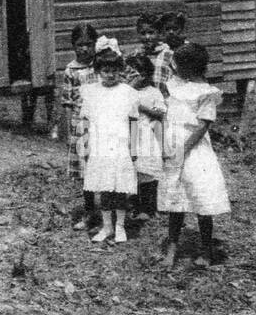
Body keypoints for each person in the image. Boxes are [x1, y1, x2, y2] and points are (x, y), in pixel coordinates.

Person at [159, 42, 231, 268]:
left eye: (178, 65)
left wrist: (183, 150)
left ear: (190, 67)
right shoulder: (176, 86)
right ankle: (172, 247)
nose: (175, 68)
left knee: (201, 201)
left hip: (194, 151)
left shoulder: (206, 93)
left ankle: (206, 250)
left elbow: (202, 127)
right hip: (173, 147)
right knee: (175, 200)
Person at [81, 36, 139, 244]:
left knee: (120, 188)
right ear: (98, 72)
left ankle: (120, 226)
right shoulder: (91, 92)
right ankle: (107, 227)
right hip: (101, 144)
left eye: (114, 71)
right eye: (106, 71)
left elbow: (133, 121)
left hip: (121, 144)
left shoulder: (127, 92)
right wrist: (86, 146)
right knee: (105, 187)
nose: (110, 75)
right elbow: (87, 122)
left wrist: (133, 147)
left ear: (120, 71)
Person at [63, 23, 99, 229]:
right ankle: (89, 211)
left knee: (104, 165)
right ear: (73, 46)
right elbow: (67, 102)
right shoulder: (71, 70)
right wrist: (70, 131)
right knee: (85, 172)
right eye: (79, 45)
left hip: (102, 123)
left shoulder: (101, 64)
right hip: (81, 123)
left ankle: (108, 210)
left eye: (89, 44)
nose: (84, 49)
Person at [128, 53, 166, 221]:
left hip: (147, 134)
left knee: (148, 170)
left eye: (143, 74)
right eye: (136, 73)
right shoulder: (127, 91)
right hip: (129, 132)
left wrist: (142, 107)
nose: (140, 77)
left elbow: (160, 114)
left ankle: (148, 207)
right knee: (133, 171)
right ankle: (135, 206)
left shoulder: (154, 92)